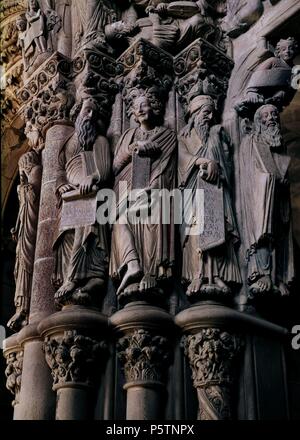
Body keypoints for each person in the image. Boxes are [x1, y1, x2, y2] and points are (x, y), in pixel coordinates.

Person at [110, 88, 177, 298]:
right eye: (136, 106)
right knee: (119, 221)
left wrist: (153, 188)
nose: (140, 110)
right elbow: (115, 166)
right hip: (128, 190)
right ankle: (132, 265)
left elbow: (168, 168)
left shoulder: (167, 136)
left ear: (155, 107)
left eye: (144, 104)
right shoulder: (128, 135)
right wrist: (132, 149)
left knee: (152, 220)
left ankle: (150, 272)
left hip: (154, 192)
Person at [179, 95, 241, 298]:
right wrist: (202, 161)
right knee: (196, 229)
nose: (210, 116)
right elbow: (182, 158)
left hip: (214, 188)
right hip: (192, 190)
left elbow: (227, 162)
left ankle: (216, 275)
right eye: (206, 112)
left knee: (214, 227)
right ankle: (197, 274)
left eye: (212, 112)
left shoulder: (216, 133)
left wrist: (218, 165)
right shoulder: (184, 136)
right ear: (195, 114)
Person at [52, 97, 111, 305]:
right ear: (77, 114)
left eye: (94, 113)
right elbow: (59, 170)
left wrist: (92, 177)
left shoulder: (99, 141)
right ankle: (73, 277)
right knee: (68, 236)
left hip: (91, 195)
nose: (90, 116)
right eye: (87, 110)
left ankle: (75, 278)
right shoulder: (68, 144)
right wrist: (61, 185)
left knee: (84, 233)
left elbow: (103, 171)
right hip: (72, 196)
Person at [240, 104, 294, 297]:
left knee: (279, 232)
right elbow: (249, 172)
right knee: (263, 232)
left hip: (278, 196)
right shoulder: (252, 141)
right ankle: (261, 274)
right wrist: (268, 179)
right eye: (265, 115)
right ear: (258, 121)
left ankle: (278, 276)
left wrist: (282, 180)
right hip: (259, 197)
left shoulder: (280, 145)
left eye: (274, 114)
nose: (271, 118)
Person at [8, 151, 42, 331]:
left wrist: (26, 185)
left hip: (32, 228)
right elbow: (24, 209)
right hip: (24, 230)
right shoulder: (24, 184)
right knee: (19, 268)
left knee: (28, 262)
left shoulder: (35, 173)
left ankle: (26, 307)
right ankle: (21, 306)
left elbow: (34, 202)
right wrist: (18, 226)